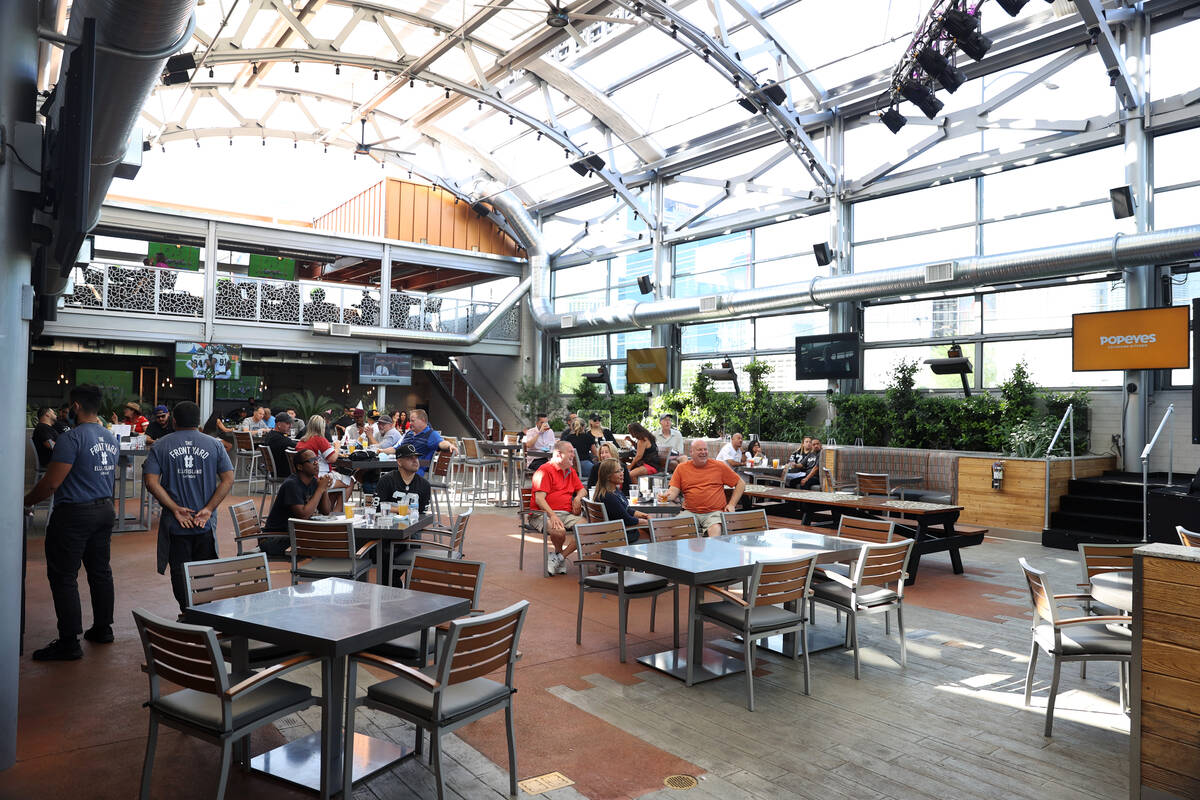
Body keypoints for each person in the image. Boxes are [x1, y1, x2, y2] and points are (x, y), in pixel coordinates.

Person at [22, 385, 119, 660]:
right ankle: (103, 629)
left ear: (75, 406)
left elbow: (51, 483)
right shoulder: (110, 438)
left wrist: (25, 502)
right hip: (104, 510)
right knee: (100, 571)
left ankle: (69, 642)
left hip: (75, 514)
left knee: (64, 576)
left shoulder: (71, 438)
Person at [143, 401, 235, 614]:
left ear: (174, 420)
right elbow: (228, 480)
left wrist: (175, 508)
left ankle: (188, 614)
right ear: (198, 422)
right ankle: (202, 614)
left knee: (179, 571)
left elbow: (151, 481)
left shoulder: (161, 445)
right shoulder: (214, 445)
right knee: (204, 572)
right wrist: (209, 509)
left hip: (176, 524)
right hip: (204, 523)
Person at [665, 439, 746, 537]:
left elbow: (740, 483)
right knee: (678, 529)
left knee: (715, 529)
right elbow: (673, 492)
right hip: (690, 511)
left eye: (705, 450)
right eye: (699, 450)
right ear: (691, 452)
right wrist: (665, 496)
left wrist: (732, 504)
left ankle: (713, 552)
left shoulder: (718, 466)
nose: (703, 452)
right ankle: (687, 552)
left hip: (714, 513)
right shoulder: (681, 468)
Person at [260, 449, 332, 556]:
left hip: (294, 535)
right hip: (274, 539)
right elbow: (303, 515)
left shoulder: (313, 482)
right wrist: (320, 489)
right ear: (300, 467)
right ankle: (309, 572)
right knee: (326, 543)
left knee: (330, 539)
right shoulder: (292, 484)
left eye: (317, 459)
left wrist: (324, 488)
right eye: (312, 460)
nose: (316, 463)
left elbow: (326, 511)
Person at [531, 441, 586, 575]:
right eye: (570, 452)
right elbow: (539, 499)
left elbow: (582, 490)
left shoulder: (570, 471)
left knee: (587, 528)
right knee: (559, 530)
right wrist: (553, 515)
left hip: (566, 514)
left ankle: (559, 557)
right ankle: (558, 554)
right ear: (559, 454)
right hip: (542, 514)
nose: (573, 455)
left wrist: (578, 498)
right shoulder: (544, 470)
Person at [296, 415, 354, 502]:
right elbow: (333, 459)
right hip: (319, 478)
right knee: (350, 482)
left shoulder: (301, 441)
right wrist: (337, 447)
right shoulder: (320, 440)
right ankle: (337, 512)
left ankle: (330, 511)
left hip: (303, 478)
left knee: (338, 484)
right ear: (322, 427)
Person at [592, 457, 648, 543]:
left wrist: (642, 515)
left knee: (650, 526)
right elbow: (627, 520)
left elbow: (624, 510)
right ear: (608, 476)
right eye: (617, 471)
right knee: (654, 530)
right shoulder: (609, 497)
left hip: (616, 531)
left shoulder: (612, 491)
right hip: (619, 535)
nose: (622, 473)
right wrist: (645, 522)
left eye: (621, 470)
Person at [376, 443, 432, 516]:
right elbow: (376, 507)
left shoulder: (424, 485)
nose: (415, 461)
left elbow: (422, 513)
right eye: (410, 458)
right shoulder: (386, 480)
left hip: (412, 524)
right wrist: (400, 510)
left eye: (416, 457)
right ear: (399, 462)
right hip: (388, 524)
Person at [398, 408, 457, 476]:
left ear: (422, 420)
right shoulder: (409, 433)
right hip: (400, 466)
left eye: (413, 421)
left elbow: (441, 443)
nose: (410, 423)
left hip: (414, 471)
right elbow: (398, 448)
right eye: (410, 421)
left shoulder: (431, 434)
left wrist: (450, 446)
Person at [262, 412, 296, 478]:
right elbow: (296, 446)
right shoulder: (279, 439)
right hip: (283, 472)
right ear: (279, 424)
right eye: (287, 423)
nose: (290, 426)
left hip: (275, 471)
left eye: (290, 424)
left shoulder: (270, 435)